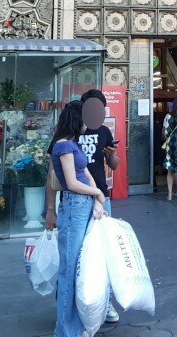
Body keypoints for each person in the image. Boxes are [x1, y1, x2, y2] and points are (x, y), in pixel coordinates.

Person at [45, 88, 123, 324]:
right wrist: (50, 208)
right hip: (76, 202)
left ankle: (103, 302)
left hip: (99, 200)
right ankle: (68, 309)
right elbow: (52, 175)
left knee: (99, 254)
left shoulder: (104, 131)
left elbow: (114, 165)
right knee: (73, 258)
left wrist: (111, 155)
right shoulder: (67, 136)